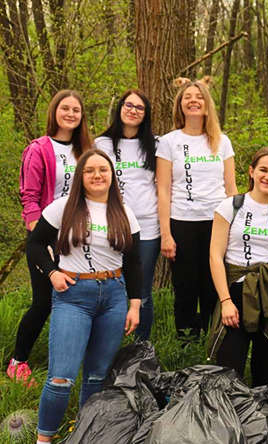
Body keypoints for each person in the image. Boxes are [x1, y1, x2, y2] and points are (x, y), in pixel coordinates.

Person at [28, 149, 141, 443]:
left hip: (114, 297)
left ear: (112, 175)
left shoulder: (125, 212)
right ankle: (44, 439)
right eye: (89, 170)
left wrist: (135, 304)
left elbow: (133, 262)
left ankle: (84, 435)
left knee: (96, 377)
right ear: (81, 176)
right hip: (73, 296)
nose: (97, 175)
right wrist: (53, 272)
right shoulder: (62, 207)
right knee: (61, 378)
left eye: (103, 169)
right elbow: (35, 244)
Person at [9, 90, 92, 384]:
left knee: (78, 299)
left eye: (76, 110)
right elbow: (29, 199)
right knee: (44, 301)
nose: (70, 114)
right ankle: (18, 362)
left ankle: (75, 362)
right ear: (54, 111)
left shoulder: (85, 150)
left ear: (82, 116)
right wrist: (40, 237)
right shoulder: (39, 148)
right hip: (47, 236)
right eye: (65, 108)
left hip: (81, 237)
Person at [156, 78, 238, 339]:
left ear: (206, 104)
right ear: (180, 105)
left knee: (213, 287)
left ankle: (215, 346)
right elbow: (164, 190)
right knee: (185, 289)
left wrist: (237, 227)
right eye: (187, 97)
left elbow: (231, 188)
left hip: (217, 223)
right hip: (182, 223)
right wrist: (166, 234)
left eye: (198, 96)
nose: (193, 100)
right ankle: (187, 346)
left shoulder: (221, 141)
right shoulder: (169, 142)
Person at [209, 147, 268, 387]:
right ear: (251, 172)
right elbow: (216, 256)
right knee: (228, 370)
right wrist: (226, 301)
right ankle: (228, 420)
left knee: (264, 371)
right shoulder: (231, 206)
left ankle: (262, 421)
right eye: (263, 170)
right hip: (236, 292)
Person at [95, 89, 159, 341]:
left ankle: (140, 349)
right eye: (128, 105)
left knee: (141, 291)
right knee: (112, 289)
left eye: (139, 107)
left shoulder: (156, 145)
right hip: (110, 226)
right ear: (120, 108)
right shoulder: (101, 144)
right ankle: (110, 346)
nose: (133, 110)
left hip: (147, 227)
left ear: (146, 114)